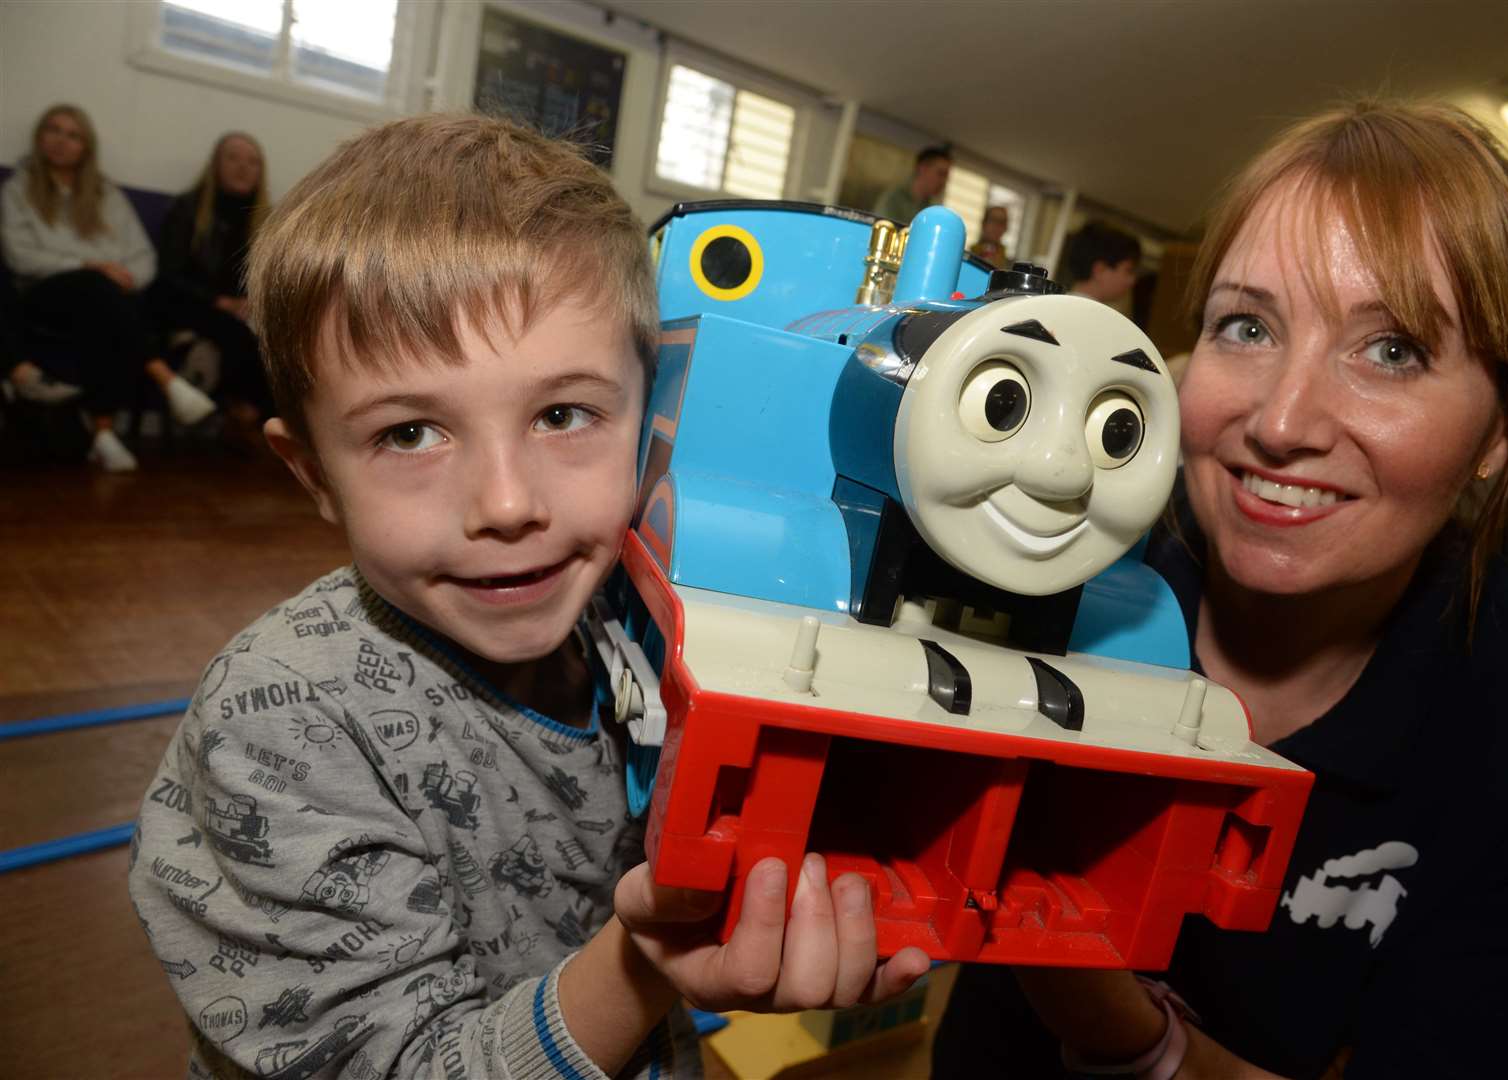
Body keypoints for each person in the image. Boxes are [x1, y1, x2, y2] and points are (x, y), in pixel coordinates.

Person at [127, 113, 929, 1079]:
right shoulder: (282, 721)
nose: (507, 506)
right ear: (312, 474)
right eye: (411, 434)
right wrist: (644, 963)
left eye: (562, 414)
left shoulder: (640, 612)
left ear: (655, 414)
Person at [933, 101, 1508, 1078]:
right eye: (1246, 326)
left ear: (1501, 431)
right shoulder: (1053, 552)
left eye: (1392, 350)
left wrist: (1126, 1034)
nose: (1283, 420)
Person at [1, 104, 216, 471]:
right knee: (100, 290)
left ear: (86, 146)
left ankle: (102, 434)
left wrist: (123, 279)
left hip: (108, 297)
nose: (61, 141)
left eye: (73, 134)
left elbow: (142, 257)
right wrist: (87, 265)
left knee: (116, 305)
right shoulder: (17, 190)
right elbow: (20, 257)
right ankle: (164, 378)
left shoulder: (108, 196)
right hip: (44, 293)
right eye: (53, 130)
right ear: (39, 137)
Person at [150, 131, 274, 435]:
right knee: (233, 332)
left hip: (243, 310)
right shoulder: (187, 210)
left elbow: (272, 280)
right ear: (215, 165)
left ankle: (250, 414)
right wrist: (218, 301)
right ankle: (255, 415)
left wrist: (251, 302)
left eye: (252, 162)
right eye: (232, 158)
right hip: (191, 302)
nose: (243, 167)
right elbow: (170, 274)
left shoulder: (268, 221)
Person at [1062, 219, 1141, 304]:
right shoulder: (1093, 314)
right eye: (1128, 270)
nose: (1132, 280)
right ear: (1099, 270)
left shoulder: (1059, 304)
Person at [872, 144, 952, 225]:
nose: (944, 181)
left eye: (946, 177)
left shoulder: (931, 209)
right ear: (923, 168)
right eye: (941, 174)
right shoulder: (892, 200)